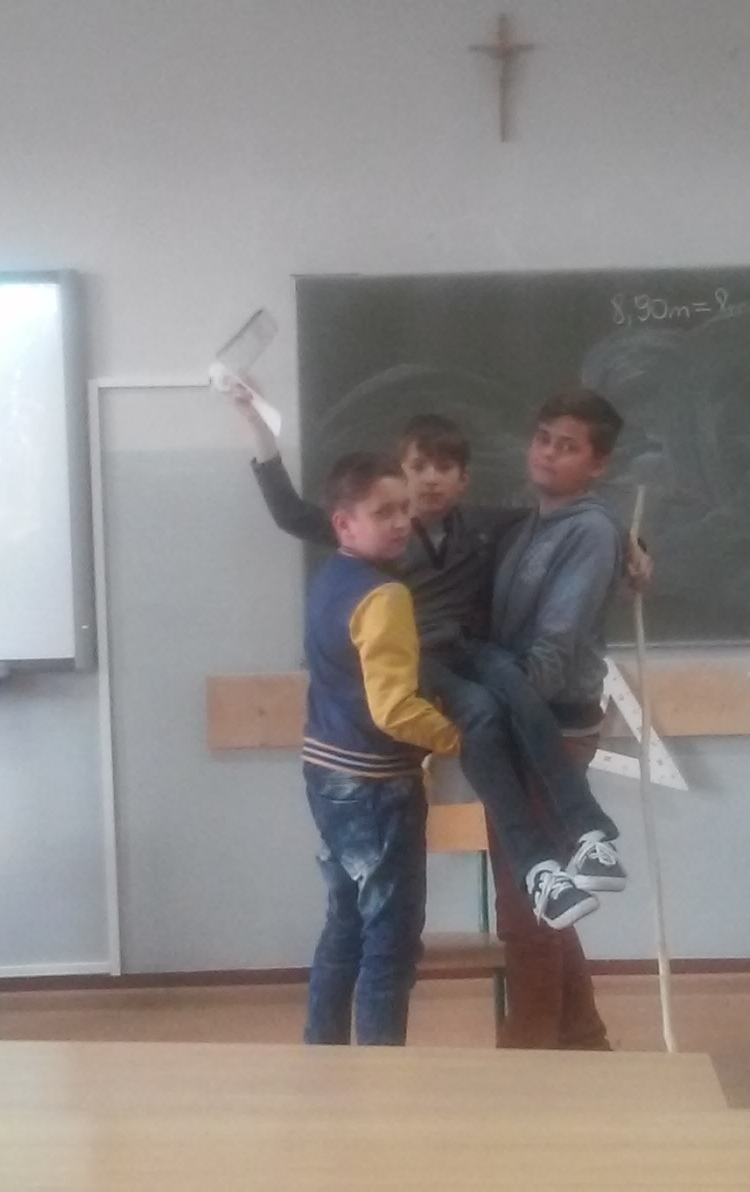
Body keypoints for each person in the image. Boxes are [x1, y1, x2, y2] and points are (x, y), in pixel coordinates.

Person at [230, 390, 626, 929]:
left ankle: (590, 833)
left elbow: (571, 524)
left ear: (464, 480)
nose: (432, 480)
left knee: (514, 681)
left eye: (445, 468)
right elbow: (291, 513)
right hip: (423, 661)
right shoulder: (382, 532)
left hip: (469, 650)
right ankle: (539, 868)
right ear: (400, 475)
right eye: (418, 467)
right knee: (481, 709)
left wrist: (633, 545)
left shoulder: (485, 526)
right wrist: (258, 430)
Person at [479, 387, 634, 1051]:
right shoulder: (528, 527)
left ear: (597, 464)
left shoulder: (591, 531)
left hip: (550, 728)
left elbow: (555, 645)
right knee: (545, 891)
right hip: (519, 722)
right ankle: (582, 1038)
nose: (547, 453)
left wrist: (495, 705)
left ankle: (531, 1055)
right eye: (543, 438)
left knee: (524, 902)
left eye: (567, 446)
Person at [299, 452, 462, 1046]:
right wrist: (456, 736)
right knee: (390, 938)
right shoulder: (384, 594)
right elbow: (393, 710)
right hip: (374, 784)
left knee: (345, 921)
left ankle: (322, 1054)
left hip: (326, 772)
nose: (400, 523)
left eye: (404, 509)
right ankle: (379, 1075)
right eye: (382, 512)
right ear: (344, 524)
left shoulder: (330, 578)